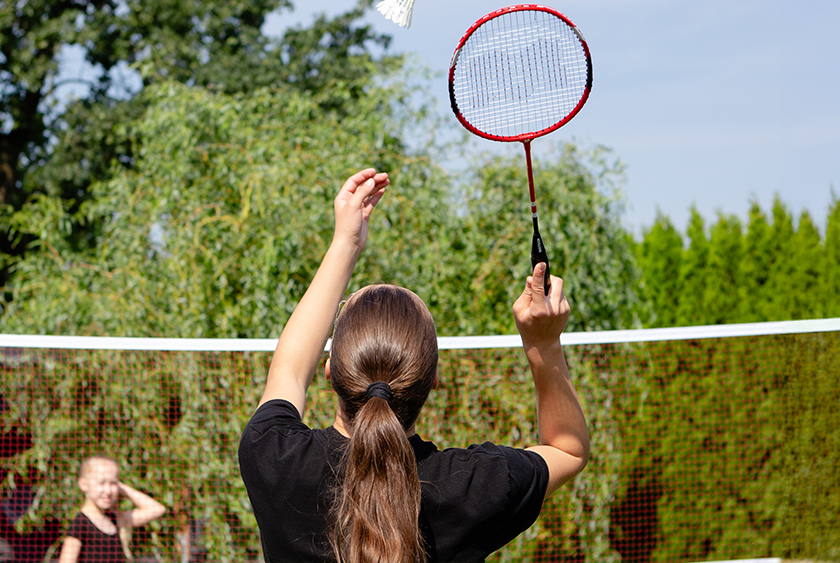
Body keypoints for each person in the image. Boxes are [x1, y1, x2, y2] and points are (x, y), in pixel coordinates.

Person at [238, 169, 590, 562]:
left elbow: (288, 370)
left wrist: (345, 243)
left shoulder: (273, 458)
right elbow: (569, 449)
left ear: (329, 370)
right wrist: (543, 342)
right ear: (434, 379)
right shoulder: (476, 486)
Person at [59, 456, 168, 563]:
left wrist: (122, 488)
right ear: (83, 484)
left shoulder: (114, 520)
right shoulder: (80, 525)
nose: (108, 491)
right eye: (101, 482)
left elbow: (157, 509)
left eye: (113, 483)